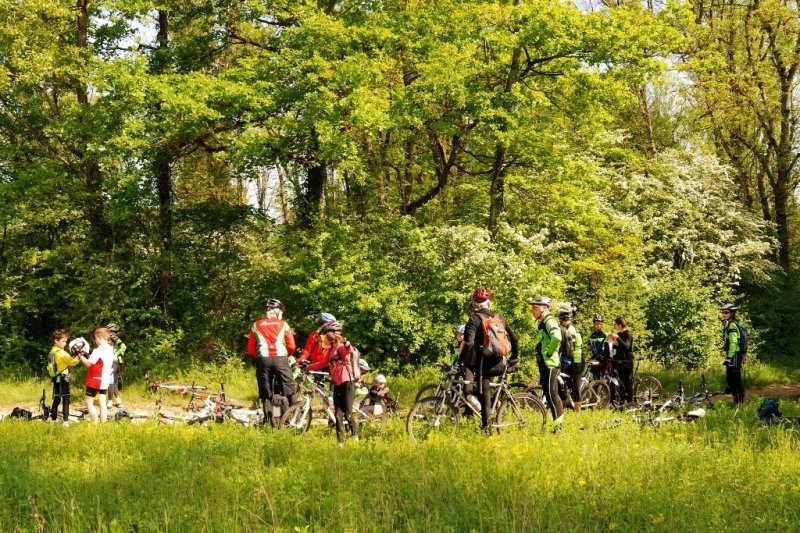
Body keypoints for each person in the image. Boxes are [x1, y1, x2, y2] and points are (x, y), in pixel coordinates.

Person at [460, 288, 519, 431]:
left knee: (484, 397)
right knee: (488, 393)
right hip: (501, 363)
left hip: (484, 366)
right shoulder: (500, 318)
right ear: (489, 303)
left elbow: (468, 343)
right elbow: (514, 339)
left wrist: (461, 361)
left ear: (475, 304)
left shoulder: (474, 319)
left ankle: (488, 430)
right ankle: (495, 415)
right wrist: (515, 357)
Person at [306, 323, 359, 447]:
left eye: (325, 335)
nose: (324, 338)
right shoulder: (330, 350)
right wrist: (307, 367)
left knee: (348, 412)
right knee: (337, 414)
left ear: (331, 335)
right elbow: (322, 363)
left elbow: (348, 351)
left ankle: (355, 438)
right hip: (337, 383)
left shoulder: (341, 347)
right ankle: (340, 443)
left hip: (347, 382)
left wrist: (348, 345)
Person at [247, 298, 298, 422]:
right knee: (289, 389)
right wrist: (286, 355)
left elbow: (250, 349)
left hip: (263, 360)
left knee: (267, 392)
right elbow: (291, 345)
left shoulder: (256, 325)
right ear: (277, 311)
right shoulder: (283, 324)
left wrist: (260, 356)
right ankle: (292, 419)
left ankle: (271, 420)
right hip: (281, 359)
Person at [528, 296, 563, 430]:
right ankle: (556, 426)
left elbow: (557, 337)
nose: (532, 310)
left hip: (549, 363)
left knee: (552, 395)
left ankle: (558, 428)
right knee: (549, 395)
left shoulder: (550, 321)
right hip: (545, 363)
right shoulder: (543, 322)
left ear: (544, 308)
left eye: (535, 307)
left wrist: (549, 352)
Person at [77, 327, 116, 423]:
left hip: (96, 379)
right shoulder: (110, 348)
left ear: (100, 337)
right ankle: (103, 423)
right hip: (105, 379)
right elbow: (96, 360)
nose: (95, 340)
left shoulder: (98, 350)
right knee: (102, 402)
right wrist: (85, 354)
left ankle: (94, 423)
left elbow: (88, 364)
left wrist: (80, 355)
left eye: (96, 338)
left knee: (88, 402)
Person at [48, 329, 80, 425]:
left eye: (66, 341)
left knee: (57, 398)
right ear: (56, 341)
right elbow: (73, 362)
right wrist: (78, 356)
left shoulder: (52, 351)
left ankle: (53, 420)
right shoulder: (62, 353)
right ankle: (65, 422)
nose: (65, 343)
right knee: (66, 398)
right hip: (64, 377)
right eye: (63, 341)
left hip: (55, 377)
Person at [558, 308, 584, 412]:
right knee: (563, 382)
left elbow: (568, 349)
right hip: (570, 359)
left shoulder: (570, 330)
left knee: (575, 385)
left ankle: (577, 413)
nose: (564, 320)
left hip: (577, 360)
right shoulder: (566, 329)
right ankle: (563, 407)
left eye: (564, 318)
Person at [721, 304, 746, 404]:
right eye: (723, 312)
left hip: (735, 354)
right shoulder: (729, 324)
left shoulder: (732, 325)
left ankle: (740, 401)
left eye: (726, 312)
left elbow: (733, 342)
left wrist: (729, 357)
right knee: (729, 378)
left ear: (732, 313)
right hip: (732, 354)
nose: (724, 314)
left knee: (735, 378)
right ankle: (737, 399)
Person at [608, 317, 634, 405]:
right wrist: (610, 343)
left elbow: (626, 346)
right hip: (619, 361)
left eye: (615, 324)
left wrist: (618, 338)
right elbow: (620, 347)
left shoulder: (628, 334)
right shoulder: (619, 333)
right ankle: (621, 403)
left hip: (627, 361)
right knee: (620, 382)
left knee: (627, 382)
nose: (614, 326)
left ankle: (630, 403)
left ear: (619, 324)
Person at [105, 323, 126, 409]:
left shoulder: (114, 338)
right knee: (113, 382)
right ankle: (118, 401)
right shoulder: (108, 338)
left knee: (110, 382)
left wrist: (116, 354)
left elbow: (124, 347)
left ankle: (110, 401)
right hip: (114, 361)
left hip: (114, 362)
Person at [587, 315, 610, 381]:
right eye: (597, 324)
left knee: (605, 379)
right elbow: (588, 348)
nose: (598, 325)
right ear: (594, 324)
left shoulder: (605, 334)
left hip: (603, 359)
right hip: (595, 359)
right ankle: (597, 390)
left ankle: (607, 390)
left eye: (600, 324)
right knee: (595, 379)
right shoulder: (591, 335)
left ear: (602, 324)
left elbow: (609, 347)